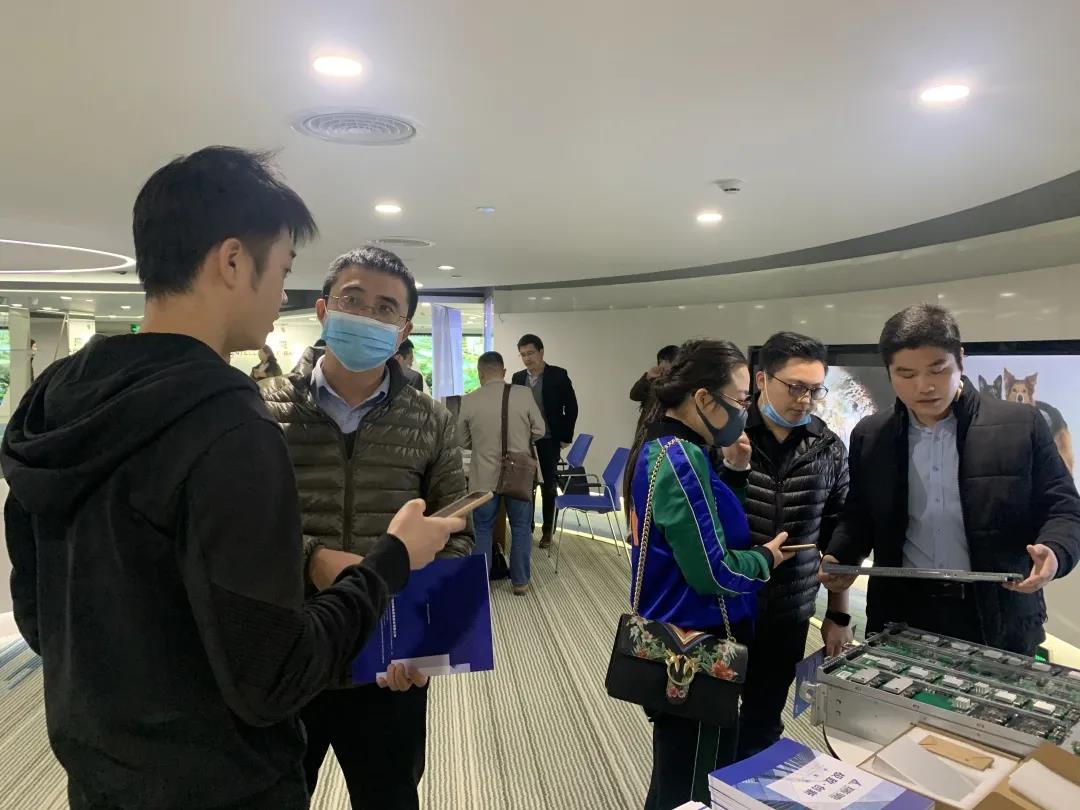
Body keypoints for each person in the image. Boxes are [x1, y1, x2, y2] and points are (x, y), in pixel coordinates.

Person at [0, 146, 463, 810]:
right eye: (283, 270)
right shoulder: (235, 421)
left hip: (105, 761)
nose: (280, 295)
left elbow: (38, 614)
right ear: (234, 262)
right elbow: (273, 677)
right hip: (223, 765)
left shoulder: (56, 399)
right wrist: (382, 562)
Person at [261, 245, 473, 809]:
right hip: (286, 653)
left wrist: (426, 644)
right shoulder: (262, 408)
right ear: (324, 310)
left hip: (388, 661)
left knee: (390, 797)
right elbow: (234, 526)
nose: (366, 316)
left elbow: (456, 532)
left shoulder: (430, 419)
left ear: (403, 329)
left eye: (385, 308)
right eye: (352, 300)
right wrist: (311, 556)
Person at [821, 304, 1080, 655]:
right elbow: (860, 514)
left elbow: (1064, 508)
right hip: (901, 612)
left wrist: (1056, 550)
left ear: (960, 359)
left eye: (937, 369)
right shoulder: (871, 434)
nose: (924, 386)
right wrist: (841, 554)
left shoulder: (1021, 425)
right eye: (906, 374)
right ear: (889, 372)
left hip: (997, 613)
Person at [624, 339, 792, 810]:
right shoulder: (680, 458)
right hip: (696, 647)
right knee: (693, 784)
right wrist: (764, 561)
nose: (745, 411)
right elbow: (713, 571)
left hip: (680, 635)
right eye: (741, 399)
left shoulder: (671, 450)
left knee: (679, 770)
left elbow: (707, 530)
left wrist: (735, 473)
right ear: (703, 398)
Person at [723, 332, 851, 762]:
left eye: (815, 389)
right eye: (795, 387)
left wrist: (838, 613)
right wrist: (730, 467)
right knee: (711, 715)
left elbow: (838, 537)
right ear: (762, 379)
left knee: (763, 720)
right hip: (724, 606)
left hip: (789, 610)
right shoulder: (725, 436)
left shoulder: (828, 448)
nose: (805, 400)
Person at [458, 351, 546, 594]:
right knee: (521, 527)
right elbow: (540, 430)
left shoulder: (469, 400)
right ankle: (520, 582)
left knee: (482, 528)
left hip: (483, 477)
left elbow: (461, 440)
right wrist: (520, 440)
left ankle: (481, 584)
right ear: (504, 372)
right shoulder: (523, 394)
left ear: (480, 373)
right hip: (519, 475)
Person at [512, 334, 578, 548]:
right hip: (524, 441)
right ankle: (527, 527)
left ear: (541, 352)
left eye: (530, 353)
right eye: (523, 354)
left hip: (549, 440)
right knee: (525, 485)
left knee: (548, 486)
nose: (527, 358)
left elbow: (571, 407)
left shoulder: (558, 375)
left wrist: (565, 437)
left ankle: (548, 530)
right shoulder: (517, 378)